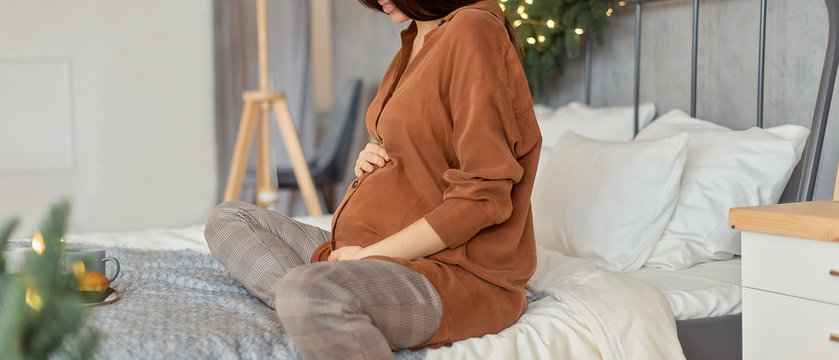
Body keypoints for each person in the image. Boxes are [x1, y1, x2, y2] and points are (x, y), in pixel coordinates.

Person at [204, 0, 541, 358]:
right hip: (363, 247)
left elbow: (484, 196)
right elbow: (424, 147)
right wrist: (374, 153)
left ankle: (317, 297)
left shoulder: (472, 29)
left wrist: (370, 256)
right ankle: (325, 297)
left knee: (308, 292)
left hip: (450, 273)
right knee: (227, 219)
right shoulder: (415, 38)